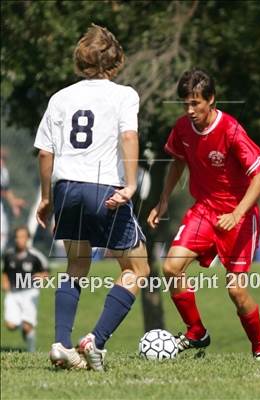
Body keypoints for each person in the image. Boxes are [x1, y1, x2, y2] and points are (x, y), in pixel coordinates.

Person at [34, 24, 150, 371]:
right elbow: (129, 136)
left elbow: (44, 153)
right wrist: (130, 185)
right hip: (104, 190)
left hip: (66, 188)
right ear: (115, 62)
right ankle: (94, 341)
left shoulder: (60, 98)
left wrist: (46, 198)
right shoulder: (124, 95)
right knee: (138, 268)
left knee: (76, 266)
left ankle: (59, 344)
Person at [148, 69, 260, 360]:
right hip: (204, 210)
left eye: (196, 104)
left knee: (236, 292)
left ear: (211, 100)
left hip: (238, 216)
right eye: (185, 104)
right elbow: (177, 161)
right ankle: (196, 332)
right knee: (171, 268)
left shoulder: (230, 129)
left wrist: (237, 213)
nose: (190, 110)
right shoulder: (182, 128)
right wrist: (163, 200)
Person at [2, 226, 49, 352]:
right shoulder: (9, 255)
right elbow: (5, 272)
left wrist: (41, 277)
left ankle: (31, 351)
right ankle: (23, 325)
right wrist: (4, 283)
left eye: (23, 237)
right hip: (13, 293)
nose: (20, 240)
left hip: (30, 292)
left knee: (28, 327)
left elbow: (46, 273)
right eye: (17, 237)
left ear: (28, 239)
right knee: (10, 325)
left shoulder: (35, 256)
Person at [1, 148, 26, 253]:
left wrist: (14, 203)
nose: (2, 161)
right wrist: (14, 202)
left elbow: (6, 189)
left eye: (3, 159)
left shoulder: (4, 171)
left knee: (3, 232)